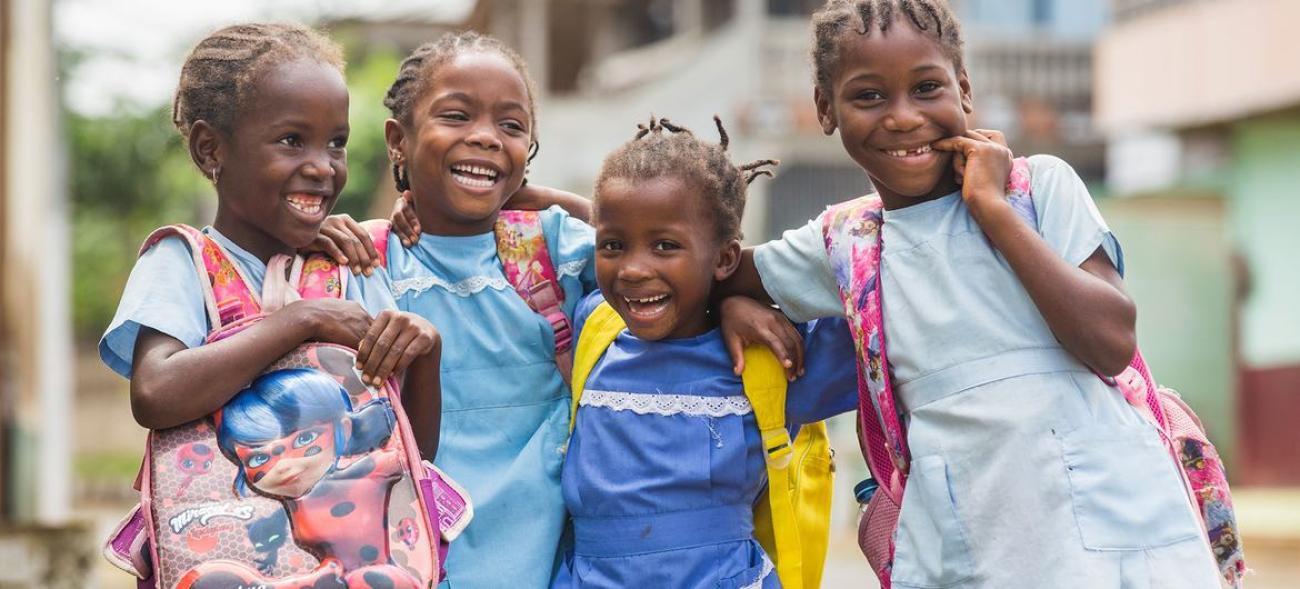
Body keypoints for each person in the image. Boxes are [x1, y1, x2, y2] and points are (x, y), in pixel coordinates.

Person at [719, 2, 1221, 586]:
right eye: (869, 96)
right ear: (826, 109)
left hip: (1116, 545)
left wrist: (991, 208)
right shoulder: (846, 243)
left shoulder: (1038, 189)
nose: (903, 117)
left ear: (963, 88)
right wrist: (731, 303)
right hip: (965, 548)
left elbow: (1111, 342)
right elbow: (703, 270)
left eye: (926, 88)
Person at [99, 22, 441, 455]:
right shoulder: (183, 262)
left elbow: (411, 454)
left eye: (336, 143)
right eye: (291, 141)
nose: (322, 166)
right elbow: (155, 393)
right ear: (210, 149)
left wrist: (427, 355)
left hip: (353, 503)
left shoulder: (348, 268)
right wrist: (304, 319)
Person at [553, 116, 857, 588]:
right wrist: (726, 298)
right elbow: (515, 216)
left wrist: (741, 295)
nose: (633, 269)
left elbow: (873, 287)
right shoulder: (593, 325)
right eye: (613, 245)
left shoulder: (768, 352)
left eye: (664, 245)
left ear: (726, 259)